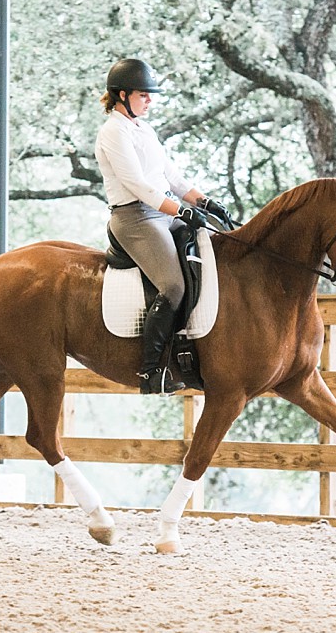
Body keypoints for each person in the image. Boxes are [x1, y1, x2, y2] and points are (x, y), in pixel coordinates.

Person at [94, 58, 234, 394]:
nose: (150, 100)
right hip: (135, 218)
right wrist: (180, 211)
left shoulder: (144, 129)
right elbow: (137, 183)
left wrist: (203, 201)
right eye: (144, 94)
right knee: (173, 286)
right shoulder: (112, 132)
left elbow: (170, 175)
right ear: (122, 95)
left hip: (162, 212)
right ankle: (150, 370)